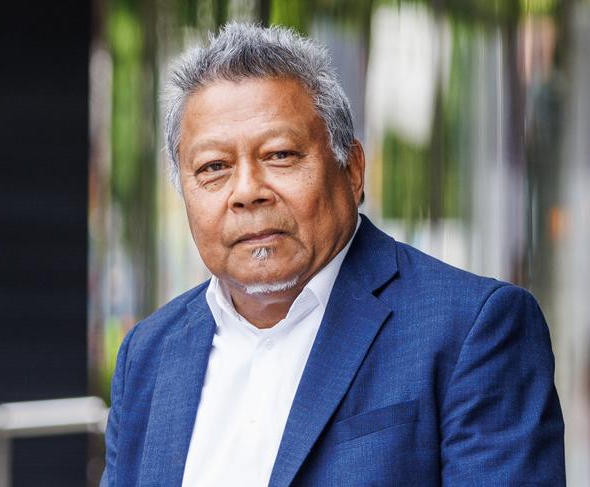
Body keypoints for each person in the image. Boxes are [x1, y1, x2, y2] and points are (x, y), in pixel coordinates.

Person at [101, 23, 565, 486]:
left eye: (280, 155)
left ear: (352, 170)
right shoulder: (147, 355)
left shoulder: (473, 329)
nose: (246, 192)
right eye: (214, 167)